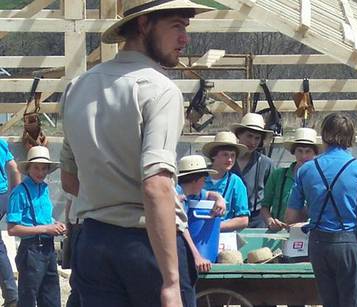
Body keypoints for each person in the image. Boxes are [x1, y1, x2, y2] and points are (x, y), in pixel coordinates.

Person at [58, 1, 214, 306]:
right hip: (148, 246)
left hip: (93, 244)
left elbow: (68, 179)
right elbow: (155, 185)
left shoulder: (77, 87)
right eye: (177, 26)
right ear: (143, 25)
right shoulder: (159, 90)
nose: (185, 39)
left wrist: (107, 199)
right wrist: (170, 281)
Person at [286, 113, 357, 306]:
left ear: (324, 135)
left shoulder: (305, 169)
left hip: (318, 245)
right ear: (351, 138)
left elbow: (290, 216)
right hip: (347, 242)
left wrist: (316, 209)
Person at [7, 146, 65, 307]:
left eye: (44, 168)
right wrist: (46, 229)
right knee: (28, 297)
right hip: (31, 250)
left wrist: (55, 223)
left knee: (51, 295)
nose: (41, 172)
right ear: (29, 169)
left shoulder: (44, 189)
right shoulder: (19, 193)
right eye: (37, 168)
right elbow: (12, 229)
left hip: (48, 248)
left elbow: (44, 218)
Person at [176, 155, 225, 307]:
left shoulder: (191, 192)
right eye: (204, 179)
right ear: (196, 180)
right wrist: (196, 256)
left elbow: (209, 194)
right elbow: (181, 228)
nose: (205, 183)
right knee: (186, 289)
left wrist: (219, 198)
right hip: (177, 248)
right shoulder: (177, 195)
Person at [261, 127, 322, 231]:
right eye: (300, 151)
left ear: (314, 153)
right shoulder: (278, 175)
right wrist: (270, 221)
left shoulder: (321, 179)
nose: (303, 156)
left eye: (308, 151)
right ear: (294, 152)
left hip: (309, 233)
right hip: (279, 232)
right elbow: (264, 205)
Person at [231, 113, 275, 228]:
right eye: (249, 136)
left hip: (257, 221)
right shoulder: (227, 161)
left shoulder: (266, 164)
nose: (253, 142)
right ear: (239, 135)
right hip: (230, 218)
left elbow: (271, 196)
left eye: (257, 138)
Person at [202, 131, 249, 232]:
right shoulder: (198, 178)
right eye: (225, 155)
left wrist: (215, 227)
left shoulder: (236, 182)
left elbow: (243, 219)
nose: (230, 160)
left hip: (224, 238)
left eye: (233, 155)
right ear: (213, 155)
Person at [0, 139, 20, 307]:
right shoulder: (1, 143)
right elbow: (14, 169)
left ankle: (12, 294)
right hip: (3, 195)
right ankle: (11, 294)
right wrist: (14, 196)